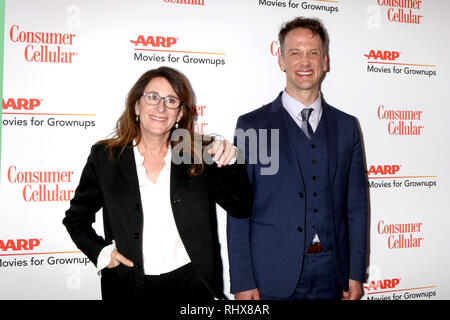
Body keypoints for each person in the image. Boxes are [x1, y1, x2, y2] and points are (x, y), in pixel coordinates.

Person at [63, 66, 252, 301]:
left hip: (192, 285)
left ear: (180, 114)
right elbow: (75, 218)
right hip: (129, 287)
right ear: (136, 106)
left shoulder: (198, 154)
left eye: (171, 100)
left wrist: (232, 160)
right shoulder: (106, 157)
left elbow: (241, 207)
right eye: (152, 97)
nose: (161, 107)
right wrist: (101, 252)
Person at [227, 17, 368, 300]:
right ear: (281, 61)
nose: (305, 61)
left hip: (333, 273)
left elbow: (356, 206)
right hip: (271, 275)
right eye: (295, 52)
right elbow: (238, 210)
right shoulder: (252, 126)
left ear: (325, 61)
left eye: (313, 52)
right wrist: (242, 280)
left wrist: (355, 272)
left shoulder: (347, 127)